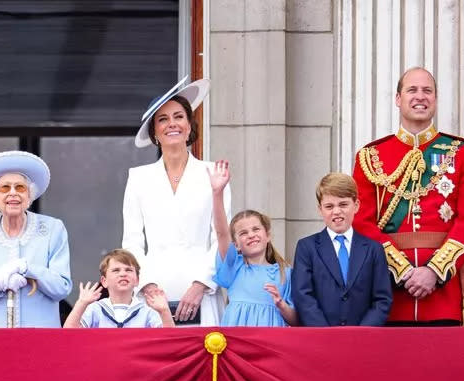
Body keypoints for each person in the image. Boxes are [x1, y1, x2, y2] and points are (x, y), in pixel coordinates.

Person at [352, 67, 464, 326]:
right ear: (398, 98)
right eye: (412, 90)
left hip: (442, 296)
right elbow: (361, 221)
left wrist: (434, 272)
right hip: (388, 294)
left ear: (435, 99)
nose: (420, 96)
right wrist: (402, 271)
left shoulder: (463, 154)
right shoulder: (370, 156)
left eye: (427, 91)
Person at [122, 77, 230, 326]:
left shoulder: (214, 173)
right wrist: (147, 284)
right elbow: (132, 240)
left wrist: (201, 284)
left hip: (202, 291)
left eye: (179, 117)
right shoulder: (138, 178)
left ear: (190, 126)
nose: (172, 124)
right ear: (155, 133)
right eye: (163, 119)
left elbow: (221, 238)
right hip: (153, 292)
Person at [0, 151, 72, 327]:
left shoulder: (53, 229)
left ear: (29, 196)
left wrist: (28, 269)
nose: (13, 193)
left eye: (20, 187)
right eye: (4, 188)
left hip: (41, 337)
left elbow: (61, 288)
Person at [292, 173, 392, 326]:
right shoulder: (307, 247)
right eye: (329, 206)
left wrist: (361, 333)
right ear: (320, 209)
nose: (336, 211)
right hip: (320, 338)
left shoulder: (373, 249)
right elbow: (303, 295)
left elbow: (382, 299)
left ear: (356, 205)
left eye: (343, 204)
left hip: (362, 339)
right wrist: (326, 334)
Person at [208, 160, 297, 326]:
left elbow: (296, 320)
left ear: (268, 235)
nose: (251, 235)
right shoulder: (234, 267)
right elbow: (221, 232)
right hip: (238, 342)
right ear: (236, 245)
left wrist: (281, 304)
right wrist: (217, 193)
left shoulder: (286, 273)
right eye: (243, 233)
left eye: (256, 229)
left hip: (271, 343)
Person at [63, 249, 174, 328]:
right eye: (116, 270)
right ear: (104, 281)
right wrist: (81, 303)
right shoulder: (95, 309)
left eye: (128, 270)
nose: (123, 274)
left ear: (137, 280)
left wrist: (164, 311)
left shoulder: (147, 311)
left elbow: (168, 341)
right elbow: (69, 333)